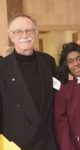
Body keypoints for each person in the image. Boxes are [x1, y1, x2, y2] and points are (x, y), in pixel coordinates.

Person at [0, 14, 58, 150]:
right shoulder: (2, 68)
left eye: (29, 30)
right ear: (11, 36)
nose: (24, 35)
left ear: (36, 33)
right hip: (16, 143)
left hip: (46, 141)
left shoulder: (48, 61)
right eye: (18, 31)